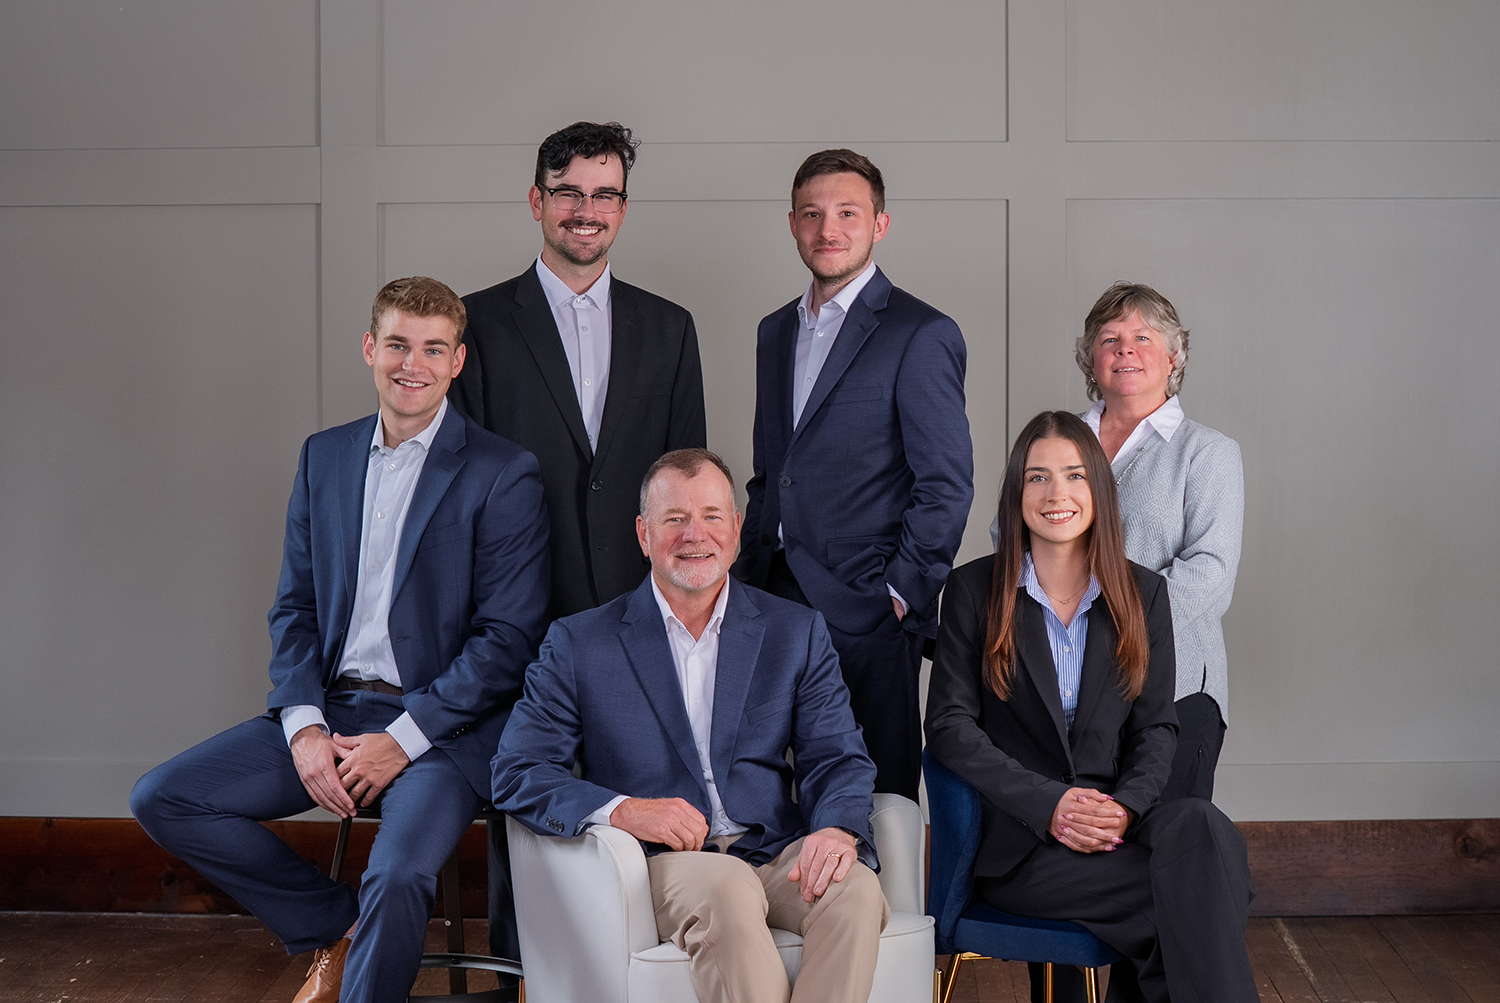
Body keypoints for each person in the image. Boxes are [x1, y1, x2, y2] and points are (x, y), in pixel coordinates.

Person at [130, 277, 550, 1003]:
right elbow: (294, 607)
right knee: (164, 797)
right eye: (396, 344)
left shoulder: (502, 472)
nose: (411, 363)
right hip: (332, 710)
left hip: (441, 730)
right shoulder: (324, 457)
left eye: (432, 348)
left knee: (398, 871)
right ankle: (341, 926)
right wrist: (302, 725)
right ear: (369, 347)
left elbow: (507, 641)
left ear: (456, 361)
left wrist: (406, 737)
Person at [494, 449, 889, 1003]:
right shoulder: (579, 644)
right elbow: (517, 771)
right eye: (674, 519)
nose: (694, 534)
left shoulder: (793, 632)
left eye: (710, 516)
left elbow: (838, 756)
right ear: (643, 533)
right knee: (726, 888)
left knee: (857, 891)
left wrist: (836, 829)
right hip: (660, 866)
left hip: (773, 852)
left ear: (735, 528)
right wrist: (627, 811)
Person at [449, 119, 707, 960]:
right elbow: (459, 485)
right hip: (520, 606)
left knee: (645, 787)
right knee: (526, 789)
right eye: (568, 193)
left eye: (603, 194)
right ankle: (525, 972)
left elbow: (686, 484)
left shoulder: (669, 327)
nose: (585, 211)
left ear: (623, 209)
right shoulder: (479, 324)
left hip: (640, 606)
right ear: (537, 201)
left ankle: (642, 965)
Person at [927, 411, 1256, 1003]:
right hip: (1027, 847)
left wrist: (1125, 810)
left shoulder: (1143, 593)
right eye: (1038, 477)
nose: (1058, 494)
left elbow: (1157, 727)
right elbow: (949, 726)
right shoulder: (973, 591)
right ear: (1017, 492)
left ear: (1099, 491)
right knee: (1204, 889)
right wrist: (1050, 803)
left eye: (1076, 475)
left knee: (1202, 827)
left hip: (1117, 829)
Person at [734, 148, 973, 803]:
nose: (827, 228)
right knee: (768, 783)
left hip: (869, 604)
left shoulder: (920, 332)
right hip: (769, 596)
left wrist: (899, 591)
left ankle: (888, 909)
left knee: (876, 788)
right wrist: (743, 579)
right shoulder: (774, 331)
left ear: (880, 224)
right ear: (792, 223)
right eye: (811, 214)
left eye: (846, 213)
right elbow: (770, 473)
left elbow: (946, 483)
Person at [1075, 282, 1243, 801]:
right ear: (1090, 359)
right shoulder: (1056, 444)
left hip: (1174, 688)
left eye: (1143, 337)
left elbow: (1210, 577)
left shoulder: (1208, 452)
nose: (1125, 348)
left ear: (1174, 357)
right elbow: (1010, 540)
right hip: (1067, 683)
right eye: (1109, 338)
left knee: (1168, 851)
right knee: (1081, 855)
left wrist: (1098, 612)